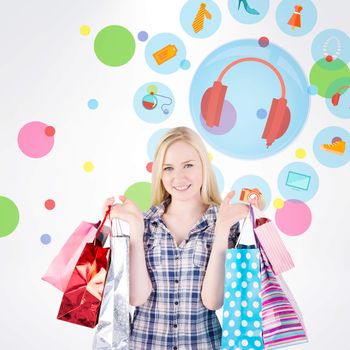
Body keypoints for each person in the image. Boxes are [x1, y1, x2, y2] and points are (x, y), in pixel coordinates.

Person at [102, 126, 264, 349]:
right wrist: (136, 231)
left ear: (203, 167)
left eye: (188, 165)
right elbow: (137, 298)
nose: (178, 177)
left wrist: (223, 229)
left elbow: (213, 301)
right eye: (168, 168)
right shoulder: (146, 221)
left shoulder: (225, 220)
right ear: (160, 174)